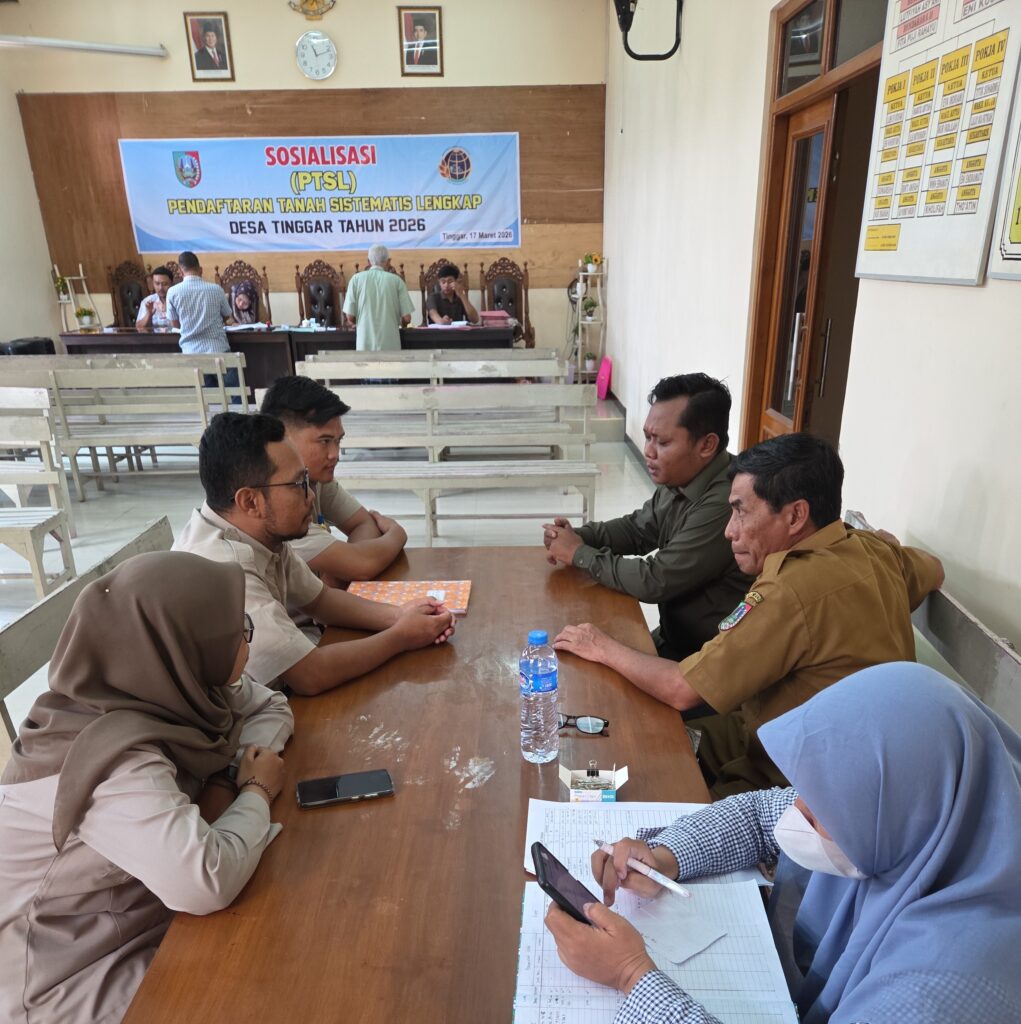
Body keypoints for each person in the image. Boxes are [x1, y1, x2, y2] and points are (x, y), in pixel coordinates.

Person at [544, 662, 1021, 1023]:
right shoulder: (932, 818)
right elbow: (758, 815)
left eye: (820, 809)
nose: (798, 811)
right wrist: (666, 856)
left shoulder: (943, 987)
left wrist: (630, 975)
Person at [554, 433, 944, 796]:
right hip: (804, 739)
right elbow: (934, 568)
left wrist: (601, 646)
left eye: (741, 512)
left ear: (795, 516)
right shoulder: (871, 550)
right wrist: (885, 544)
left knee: (644, 779)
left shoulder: (788, 592)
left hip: (795, 782)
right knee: (639, 743)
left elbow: (681, 689)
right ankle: (582, 790)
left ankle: (573, 800)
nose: (730, 531)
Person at [0, 551, 293, 1024]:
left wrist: (233, 770)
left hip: (142, 909)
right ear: (178, 642)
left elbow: (270, 706)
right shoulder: (110, 759)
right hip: (72, 972)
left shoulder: (174, 684)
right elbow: (205, 882)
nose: (245, 639)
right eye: (234, 629)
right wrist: (256, 787)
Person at [173, 412, 453, 695]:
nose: (310, 496)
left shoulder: (259, 532)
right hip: (238, 716)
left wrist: (400, 614)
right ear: (250, 501)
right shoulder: (223, 570)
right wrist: (401, 636)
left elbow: (320, 600)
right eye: (298, 485)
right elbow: (311, 674)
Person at [544, 374, 750, 661]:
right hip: (672, 638)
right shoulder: (682, 475)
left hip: (704, 659)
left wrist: (580, 554)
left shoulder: (727, 501)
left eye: (662, 442)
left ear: (706, 445)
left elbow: (656, 579)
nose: (649, 452)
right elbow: (637, 530)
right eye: (648, 437)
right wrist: (579, 536)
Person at [260, 375, 407, 587]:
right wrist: (396, 533)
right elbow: (363, 564)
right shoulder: (276, 501)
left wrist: (338, 573)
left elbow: (363, 523)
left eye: (338, 441)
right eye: (325, 441)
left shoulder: (315, 479)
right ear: (283, 438)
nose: (335, 454)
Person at [166, 250, 241, 396]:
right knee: (235, 397)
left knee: (208, 400)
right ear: (200, 269)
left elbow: (175, 325)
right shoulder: (216, 290)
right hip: (219, 351)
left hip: (192, 355)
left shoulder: (173, 292)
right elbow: (227, 316)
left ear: (180, 271)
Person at [342, 244, 414, 351]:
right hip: (391, 346)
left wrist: (362, 321)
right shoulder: (397, 281)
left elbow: (350, 317)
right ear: (389, 261)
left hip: (364, 346)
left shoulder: (355, 280)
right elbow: (407, 318)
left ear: (368, 262)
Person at [136, 265, 173, 330]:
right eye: (157, 284)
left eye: (164, 284)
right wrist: (149, 314)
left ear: (171, 283)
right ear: (153, 283)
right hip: (155, 336)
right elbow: (139, 327)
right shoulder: (148, 301)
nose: (160, 288)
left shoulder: (178, 299)